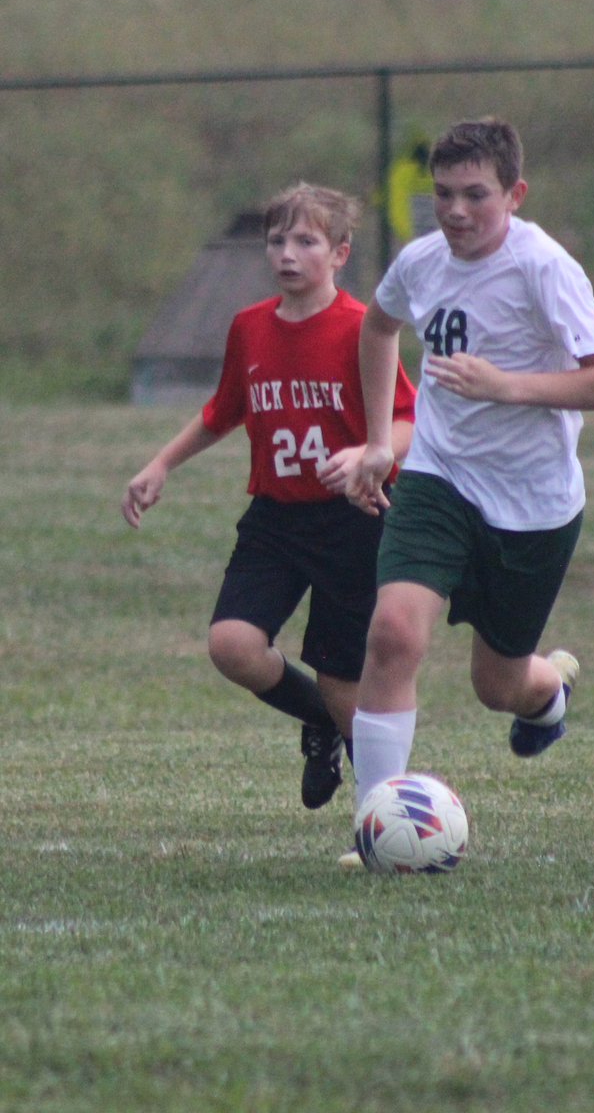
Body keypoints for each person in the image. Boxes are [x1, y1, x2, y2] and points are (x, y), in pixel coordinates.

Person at [342, 117, 594, 866]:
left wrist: (504, 385)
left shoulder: (544, 268)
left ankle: (545, 691)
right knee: (393, 633)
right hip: (439, 477)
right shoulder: (420, 260)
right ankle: (374, 826)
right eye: (443, 194)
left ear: (515, 193)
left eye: (476, 194)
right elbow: (377, 329)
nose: (456, 211)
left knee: (497, 685)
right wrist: (381, 442)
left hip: (533, 505)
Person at [121, 182, 416, 813]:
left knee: (344, 682)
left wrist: (372, 454)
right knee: (232, 644)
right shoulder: (250, 328)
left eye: (305, 240)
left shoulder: (364, 328)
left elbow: (407, 424)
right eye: (276, 239)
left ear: (340, 253)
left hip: (352, 521)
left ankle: (384, 814)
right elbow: (224, 411)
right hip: (275, 519)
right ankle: (322, 725)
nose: (287, 252)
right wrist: (161, 463)